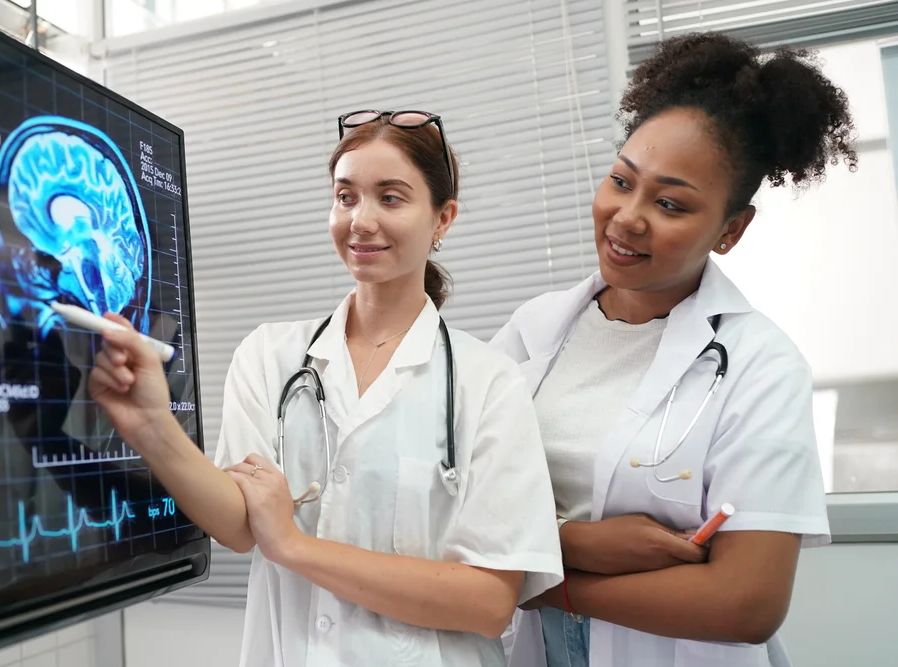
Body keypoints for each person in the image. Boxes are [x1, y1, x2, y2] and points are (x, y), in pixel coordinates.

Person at [88, 110, 564, 666]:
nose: (360, 220)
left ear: (443, 219)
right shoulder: (271, 355)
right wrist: (151, 424)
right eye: (346, 197)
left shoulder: (489, 382)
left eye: (391, 198)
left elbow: (486, 603)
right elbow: (239, 526)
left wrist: (295, 545)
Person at [494, 34, 856, 667]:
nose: (627, 217)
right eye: (620, 181)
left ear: (729, 231)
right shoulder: (533, 329)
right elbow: (444, 507)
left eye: (669, 203)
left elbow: (746, 603)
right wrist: (578, 543)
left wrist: (536, 584)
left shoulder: (760, 366)